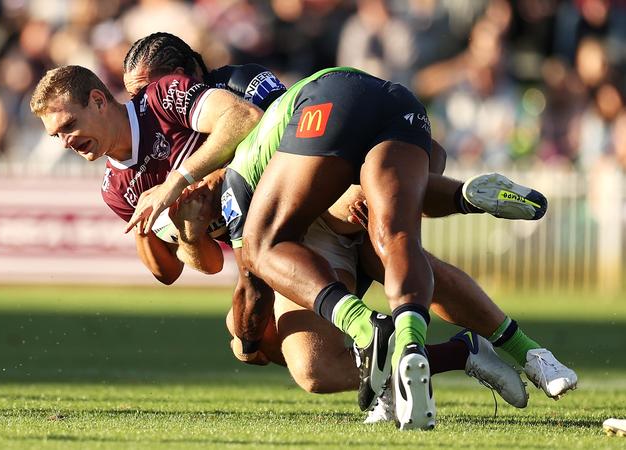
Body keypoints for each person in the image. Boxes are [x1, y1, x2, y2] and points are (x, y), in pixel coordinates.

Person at [119, 33, 575, 421]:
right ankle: (457, 345)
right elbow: (192, 263)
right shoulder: (141, 156)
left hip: (318, 180)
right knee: (306, 356)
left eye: (149, 91)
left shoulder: (232, 90)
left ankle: (387, 347)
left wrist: (189, 185)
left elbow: (290, 136)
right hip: (345, 163)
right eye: (135, 96)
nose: (144, 104)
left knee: (367, 238)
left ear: (187, 74)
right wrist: (188, 233)